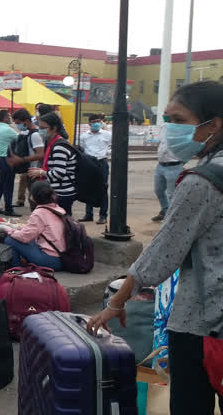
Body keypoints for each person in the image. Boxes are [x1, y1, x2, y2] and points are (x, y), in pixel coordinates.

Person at [87, 81, 223, 414]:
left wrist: (118, 301)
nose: (170, 128)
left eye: (178, 118)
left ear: (214, 124)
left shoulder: (203, 182)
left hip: (204, 322)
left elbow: (163, 252)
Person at [3, 181, 65, 271]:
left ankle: (16, 270)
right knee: (28, 240)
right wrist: (18, 227)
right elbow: (37, 230)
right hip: (64, 259)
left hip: (51, 261)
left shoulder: (39, 213)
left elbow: (25, 237)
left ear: (34, 198)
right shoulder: (59, 209)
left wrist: (8, 229)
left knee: (10, 240)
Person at [29, 112, 77, 215]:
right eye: (39, 127)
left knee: (61, 224)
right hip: (58, 191)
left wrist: (42, 173)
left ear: (54, 128)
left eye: (43, 128)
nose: (40, 130)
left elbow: (59, 173)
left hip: (62, 192)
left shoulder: (59, 147)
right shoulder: (52, 143)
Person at [8, 108, 45, 208]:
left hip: (36, 172)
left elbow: (40, 154)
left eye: (19, 123)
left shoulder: (35, 135)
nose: (18, 126)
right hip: (31, 171)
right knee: (33, 199)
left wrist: (21, 160)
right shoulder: (28, 133)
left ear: (27, 121)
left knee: (35, 200)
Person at [79, 114, 111, 224]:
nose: (96, 124)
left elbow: (113, 146)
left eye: (98, 121)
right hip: (89, 163)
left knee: (103, 188)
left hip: (102, 162)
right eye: (94, 122)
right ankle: (89, 214)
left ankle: (103, 215)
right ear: (89, 124)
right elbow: (82, 149)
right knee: (89, 188)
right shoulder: (84, 136)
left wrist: (106, 153)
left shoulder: (107, 135)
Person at [152, 121, 185, 222]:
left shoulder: (182, 128)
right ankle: (165, 210)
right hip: (160, 165)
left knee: (172, 194)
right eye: (165, 112)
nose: (165, 114)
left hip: (174, 166)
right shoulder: (163, 126)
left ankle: (173, 217)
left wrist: (181, 162)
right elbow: (161, 142)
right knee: (159, 190)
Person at [0, 109, 19, 216]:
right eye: (9, 116)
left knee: (2, 183)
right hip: (7, 158)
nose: (10, 118)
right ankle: (8, 207)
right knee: (8, 184)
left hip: (0, 157)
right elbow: (20, 138)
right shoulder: (7, 130)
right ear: (5, 118)